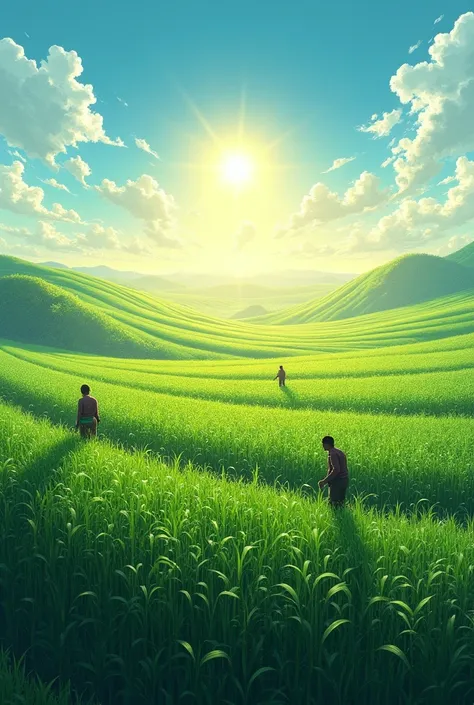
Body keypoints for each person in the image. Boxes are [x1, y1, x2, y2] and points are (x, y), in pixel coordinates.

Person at [318, 436, 349, 508]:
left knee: (333, 504)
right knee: (341, 503)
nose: (322, 446)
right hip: (344, 480)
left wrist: (324, 481)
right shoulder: (340, 452)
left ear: (327, 444)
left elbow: (336, 470)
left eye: (323, 444)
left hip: (337, 481)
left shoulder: (332, 454)